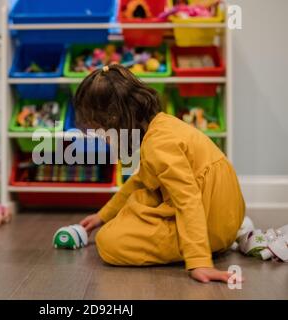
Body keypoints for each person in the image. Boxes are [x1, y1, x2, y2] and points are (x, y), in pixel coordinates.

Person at [75, 64, 245, 284]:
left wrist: (199, 261)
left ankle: (207, 242)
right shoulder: (163, 125)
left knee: (108, 242)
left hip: (212, 224)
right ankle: (221, 233)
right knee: (142, 195)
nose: (103, 139)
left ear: (116, 122)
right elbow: (139, 182)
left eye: (101, 132)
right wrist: (103, 215)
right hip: (225, 215)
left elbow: (187, 198)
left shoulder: (158, 145)